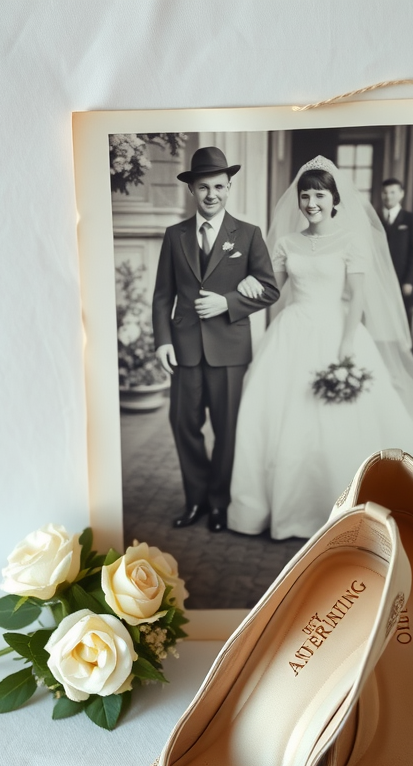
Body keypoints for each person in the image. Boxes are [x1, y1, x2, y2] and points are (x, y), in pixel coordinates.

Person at [227, 157, 413, 540]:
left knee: (342, 420)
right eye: (305, 194)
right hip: (291, 333)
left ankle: (346, 504)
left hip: (338, 330)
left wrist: (346, 347)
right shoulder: (286, 242)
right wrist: (244, 289)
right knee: (282, 417)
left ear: (334, 199)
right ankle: (283, 506)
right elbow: (271, 290)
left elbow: (358, 299)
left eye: (319, 194)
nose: (311, 202)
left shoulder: (352, 241)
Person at [152, 146, 280, 532]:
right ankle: (196, 500)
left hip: (229, 350)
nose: (212, 195)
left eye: (219, 187)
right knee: (183, 424)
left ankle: (220, 503)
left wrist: (227, 303)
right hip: (185, 348)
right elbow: (162, 295)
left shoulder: (249, 234)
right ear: (192, 190)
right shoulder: (174, 236)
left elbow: (271, 290)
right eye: (204, 187)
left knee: (227, 430)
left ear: (229, 187)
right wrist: (162, 340)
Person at [380, 178, 413, 327]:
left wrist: (409, 281)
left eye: (392, 192)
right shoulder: (375, 219)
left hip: (402, 279)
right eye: (385, 192)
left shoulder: (410, 219)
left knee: (402, 319)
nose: (388, 196)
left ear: (401, 194)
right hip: (381, 278)